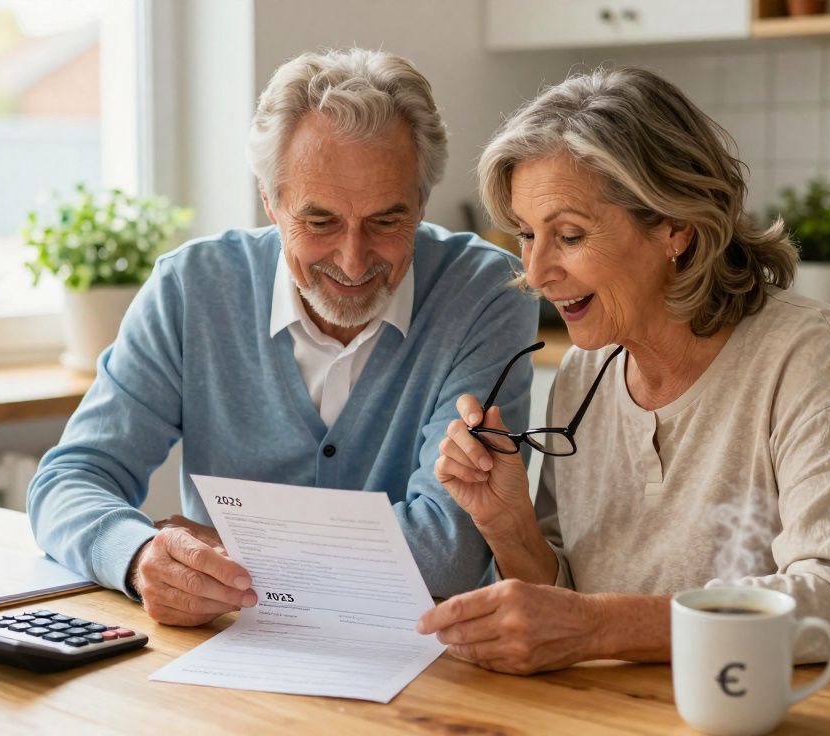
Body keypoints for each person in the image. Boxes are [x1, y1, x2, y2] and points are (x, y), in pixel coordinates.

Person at [416, 66, 830, 683]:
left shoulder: (805, 350)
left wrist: (597, 627)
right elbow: (570, 601)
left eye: (569, 235)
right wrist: (507, 525)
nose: (534, 273)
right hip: (674, 709)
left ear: (674, 227)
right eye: (528, 236)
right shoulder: (583, 373)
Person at [27, 48, 538, 627]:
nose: (353, 258)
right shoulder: (191, 289)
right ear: (270, 202)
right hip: (227, 665)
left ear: (421, 203)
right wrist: (140, 554)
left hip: (427, 670)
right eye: (319, 222)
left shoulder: (486, 293)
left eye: (387, 221)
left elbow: (449, 552)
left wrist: (233, 548)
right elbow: (69, 481)